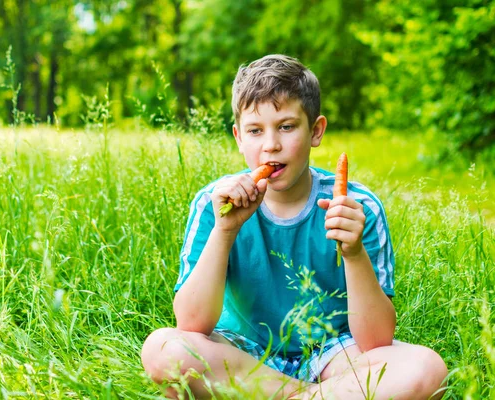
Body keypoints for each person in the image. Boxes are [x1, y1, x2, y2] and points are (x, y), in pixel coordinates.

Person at [141, 54, 448, 399]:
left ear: (315, 131)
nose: (270, 144)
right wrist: (224, 232)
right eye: (255, 131)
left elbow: (376, 341)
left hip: (334, 354)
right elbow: (192, 324)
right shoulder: (214, 204)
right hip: (242, 352)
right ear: (238, 137)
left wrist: (354, 251)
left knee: (426, 369)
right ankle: (312, 395)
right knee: (162, 349)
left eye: (286, 127)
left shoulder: (358, 208)